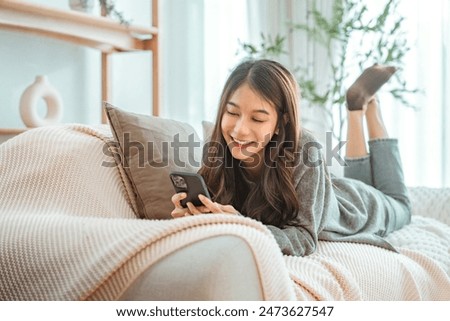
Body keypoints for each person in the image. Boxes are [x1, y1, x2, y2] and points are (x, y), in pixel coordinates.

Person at [171, 59, 411, 256]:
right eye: (232, 112)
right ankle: (357, 107)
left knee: (399, 203)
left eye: (257, 119)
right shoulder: (216, 149)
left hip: (360, 207)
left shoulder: (306, 149)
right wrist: (190, 219)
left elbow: (304, 238)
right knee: (364, 184)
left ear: (280, 123)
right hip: (333, 192)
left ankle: (368, 109)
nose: (239, 130)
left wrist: (245, 227)